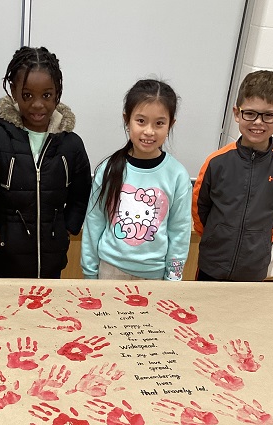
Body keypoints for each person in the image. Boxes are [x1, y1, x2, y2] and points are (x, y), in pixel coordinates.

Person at [0, 46, 92, 278]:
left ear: (57, 94)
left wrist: (68, 231)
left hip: (53, 260)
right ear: (13, 92)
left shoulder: (70, 145)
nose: (37, 104)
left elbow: (81, 194)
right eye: (27, 95)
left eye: (46, 95)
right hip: (5, 260)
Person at [81, 79, 192, 281]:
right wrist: (89, 271)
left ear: (171, 124)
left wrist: (174, 277)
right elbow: (93, 223)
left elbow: (180, 233)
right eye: (141, 121)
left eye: (159, 123)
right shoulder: (108, 169)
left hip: (155, 276)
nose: (149, 131)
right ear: (127, 119)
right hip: (109, 270)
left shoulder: (177, 175)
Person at [192, 70, 273, 282]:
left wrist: (259, 241)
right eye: (250, 113)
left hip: (253, 267)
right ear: (237, 113)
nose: (258, 122)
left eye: (268, 115)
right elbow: (199, 208)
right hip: (212, 263)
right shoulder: (216, 162)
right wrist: (216, 236)